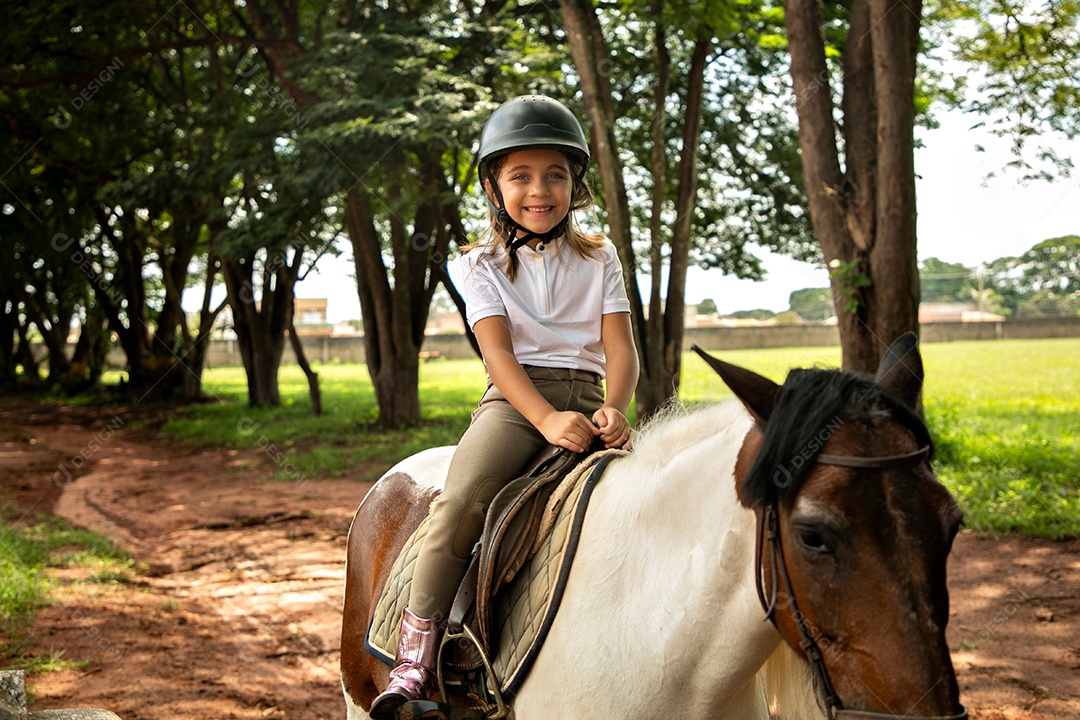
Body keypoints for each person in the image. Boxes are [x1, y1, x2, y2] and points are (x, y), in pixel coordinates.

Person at [370, 94, 639, 719]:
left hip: (591, 397)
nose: (539, 190)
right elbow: (498, 357)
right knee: (460, 505)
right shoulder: (477, 264)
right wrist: (545, 419)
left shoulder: (601, 257)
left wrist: (619, 408)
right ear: (494, 185)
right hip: (517, 404)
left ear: (576, 183)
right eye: (520, 176)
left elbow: (620, 348)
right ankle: (415, 661)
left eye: (556, 175)